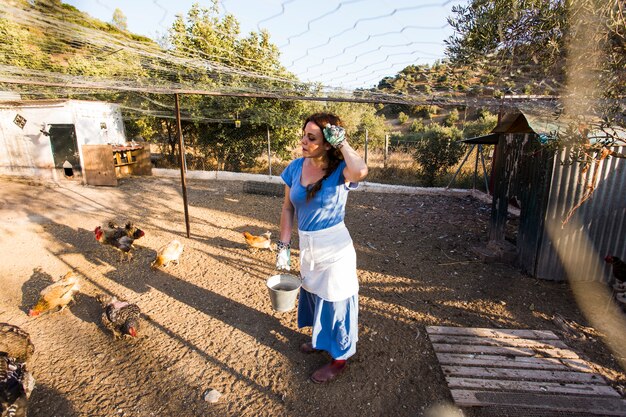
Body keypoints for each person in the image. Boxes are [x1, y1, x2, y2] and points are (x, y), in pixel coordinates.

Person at [276, 112, 368, 383]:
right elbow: (287, 207)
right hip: (308, 246)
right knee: (314, 294)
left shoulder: (342, 171)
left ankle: (339, 358)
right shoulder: (295, 167)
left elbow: (361, 171)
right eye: (304, 135)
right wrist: (284, 245)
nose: (303, 141)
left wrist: (344, 144)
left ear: (328, 142)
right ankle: (320, 339)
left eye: (312, 138)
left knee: (336, 300)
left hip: (335, 248)